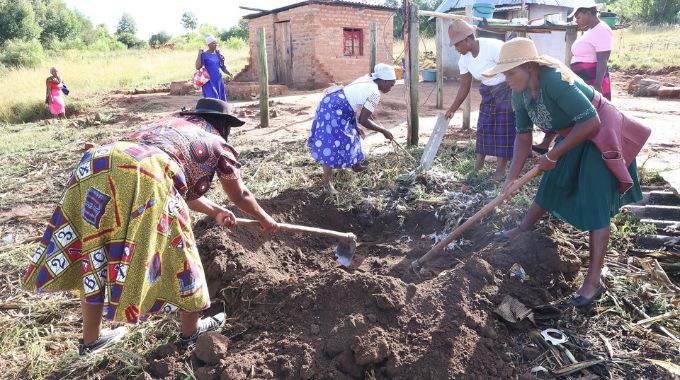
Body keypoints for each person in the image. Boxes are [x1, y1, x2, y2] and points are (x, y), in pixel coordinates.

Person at [22, 98, 278, 355]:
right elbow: (240, 194)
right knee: (181, 250)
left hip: (97, 162)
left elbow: (175, 182)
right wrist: (265, 218)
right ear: (224, 126)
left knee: (94, 249)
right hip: (144, 174)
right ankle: (192, 331)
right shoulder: (218, 143)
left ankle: (91, 340)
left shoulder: (169, 126)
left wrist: (216, 211)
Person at [485, 38, 650, 308]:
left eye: (511, 72)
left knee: (595, 200)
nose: (507, 79)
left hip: (599, 133)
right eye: (505, 74)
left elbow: (591, 121)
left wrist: (551, 155)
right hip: (574, 133)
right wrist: (511, 177)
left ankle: (593, 280)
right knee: (551, 183)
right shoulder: (519, 91)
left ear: (529, 67)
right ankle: (522, 228)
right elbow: (523, 136)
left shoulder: (554, 80)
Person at [533, 0, 612, 154]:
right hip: (581, 75)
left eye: (579, 16)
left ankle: (594, 148)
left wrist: (597, 85)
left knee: (586, 111)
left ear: (589, 12)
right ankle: (550, 142)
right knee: (567, 108)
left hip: (592, 77)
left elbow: (602, 59)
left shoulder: (602, 30)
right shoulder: (590, 30)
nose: (577, 20)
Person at [308, 63, 396, 193]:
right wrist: (383, 131)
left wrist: (354, 125)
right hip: (334, 109)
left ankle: (356, 166)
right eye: (391, 84)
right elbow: (364, 120)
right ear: (383, 81)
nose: (391, 88)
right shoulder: (374, 94)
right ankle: (326, 184)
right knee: (330, 144)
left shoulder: (367, 80)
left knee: (354, 133)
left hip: (334, 103)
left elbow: (353, 104)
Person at [445, 19, 515, 181]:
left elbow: (512, 70)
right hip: (488, 92)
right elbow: (464, 87)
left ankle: (500, 170)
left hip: (507, 89)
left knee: (503, 131)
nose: (455, 48)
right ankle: (478, 166)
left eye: (457, 44)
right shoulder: (464, 59)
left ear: (467, 40)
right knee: (483, 127)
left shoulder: (494, 47)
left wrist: (515, 98)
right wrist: (452, 108)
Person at [196, 35, 232, 101]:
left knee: (220, 100)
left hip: (218, 80)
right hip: (209, 81)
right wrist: (199, 55)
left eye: (216, 43)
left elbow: (222, 67)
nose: (216, 45)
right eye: (214, 43)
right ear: (209, 45)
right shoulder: (204, 55)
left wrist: (230, 73)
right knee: (212, 99)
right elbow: (198, 67)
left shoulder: (218, 54)